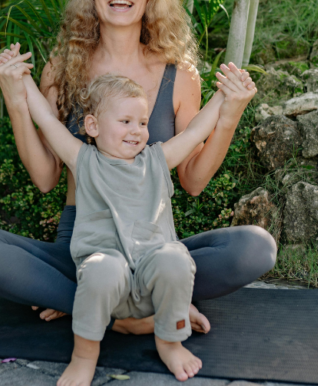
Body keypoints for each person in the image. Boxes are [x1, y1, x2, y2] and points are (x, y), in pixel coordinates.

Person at [0, 0, 277, 338]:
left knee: (256, 247)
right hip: (83, 245)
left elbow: (192, 181)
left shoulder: (179, 75)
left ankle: (83, 301)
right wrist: (18, 102)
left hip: (153, 244)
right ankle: (123, 308)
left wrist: (228, 116)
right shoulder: (62, 68)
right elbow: (46, 177)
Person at [21, 72, 244, 384]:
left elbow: (194, 133)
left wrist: (224, 95)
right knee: (102, 268)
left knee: (176, 259)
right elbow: (45, 119)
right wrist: (21, 79)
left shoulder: (155, 160)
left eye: (142, 123)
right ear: (93, 126)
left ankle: (169, 343)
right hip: (106, 282)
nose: (137, 131)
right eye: (125, 121)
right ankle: (84, 356)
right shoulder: (83, 161)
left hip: (153, 283)